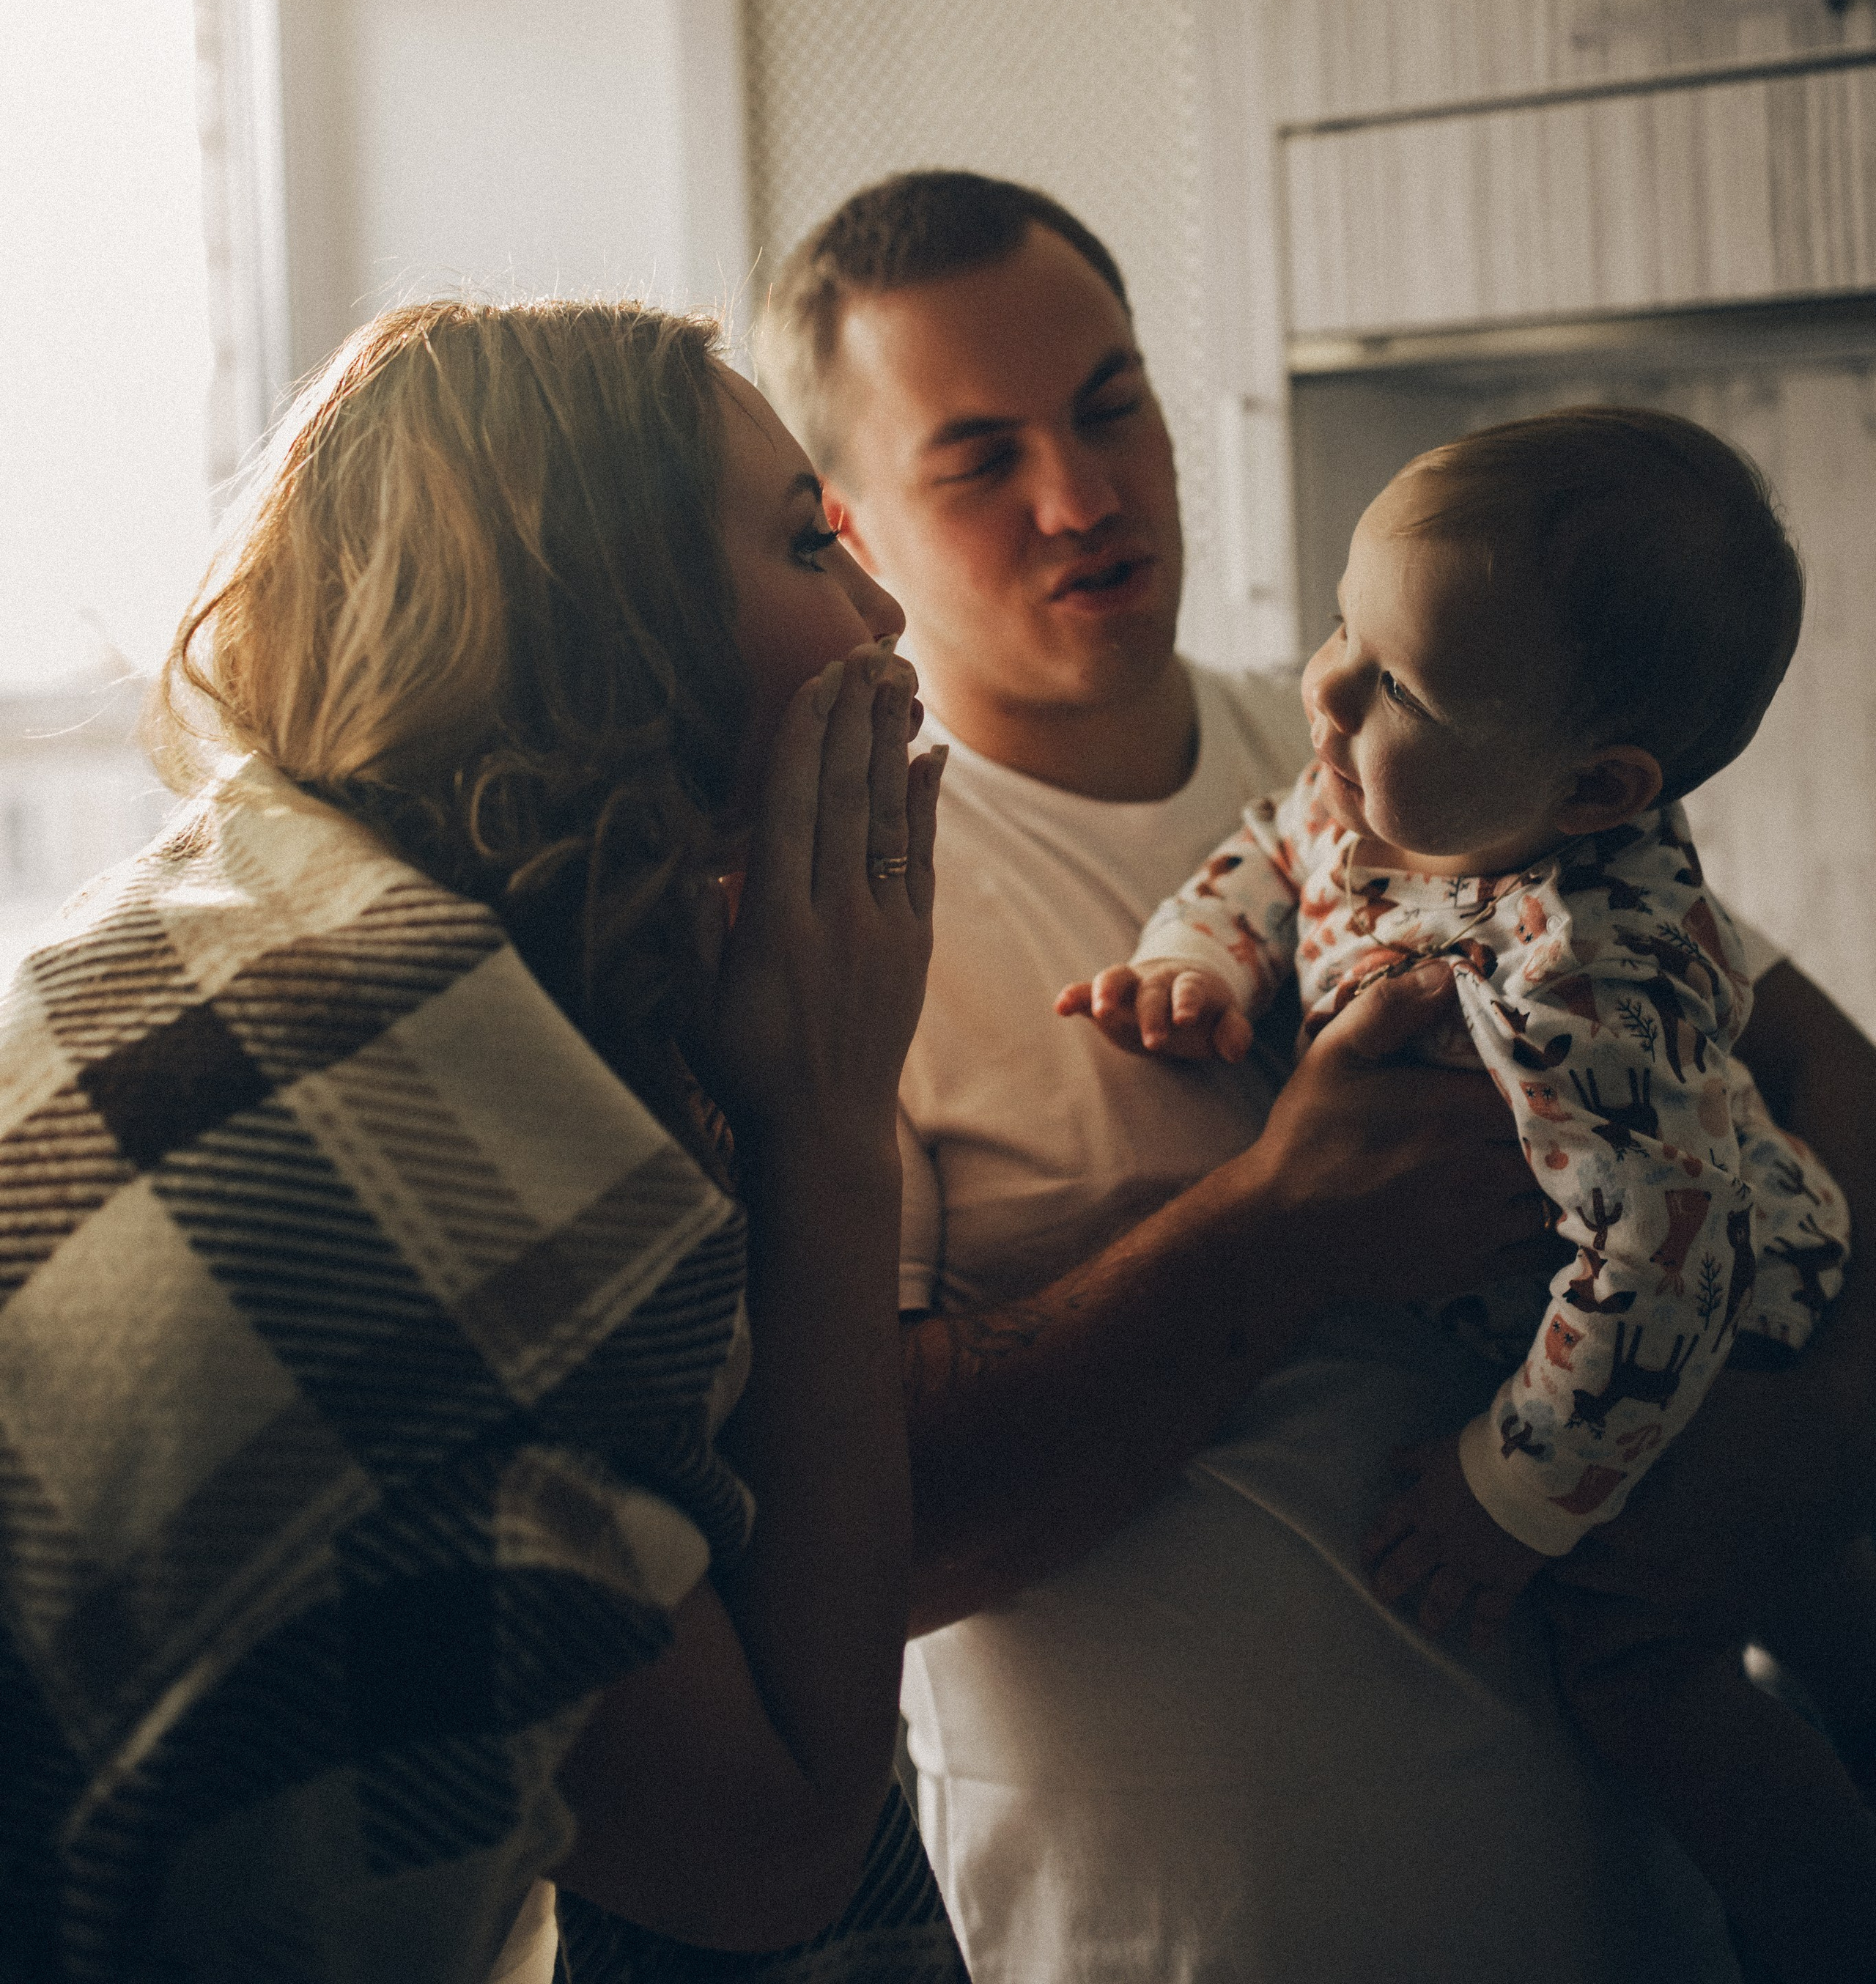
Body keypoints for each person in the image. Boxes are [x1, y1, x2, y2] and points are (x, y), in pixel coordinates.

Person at [756, 170, 1876, 1984]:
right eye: (978, 458)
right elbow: (849, 1553)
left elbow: (1830, 1096)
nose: (1082, 496)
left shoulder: (1418, 733)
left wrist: (1822, 1444)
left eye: (1108, 403)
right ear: (855, 529)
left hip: (1641, 1922)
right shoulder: (839, 910)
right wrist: (1281, 1221)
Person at [0, 299, 965, 1984]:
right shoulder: (369, 1149)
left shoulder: (228, 916)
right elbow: (775, 1847)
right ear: (603, 627)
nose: (883, 615)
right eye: (814, 544)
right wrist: (826, 1124)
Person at [1062, 407, 1875, 1980]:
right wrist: (1193, 958)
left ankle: (1826, 1915)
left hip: (1706, 1352)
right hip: (1616, 1314)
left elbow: (1659, 1265)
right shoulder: (1395, 788)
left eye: (1395, 682)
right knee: (1830, 1595)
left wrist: (1508, 1495)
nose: (1326, 690)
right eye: (1341, 628)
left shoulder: (1587, 982)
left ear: (1593, 790)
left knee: (1644, 1663)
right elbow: (1269, 846)